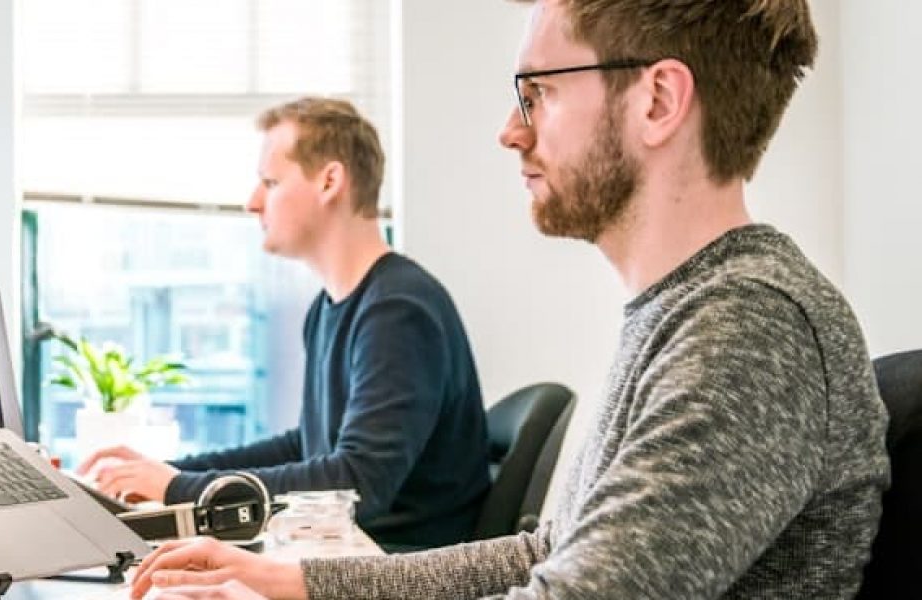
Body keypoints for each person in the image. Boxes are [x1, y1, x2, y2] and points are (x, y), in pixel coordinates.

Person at [127, 0, 891, 598]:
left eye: (538, 94)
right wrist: (296, 582)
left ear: (657, 100)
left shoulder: (749, 327)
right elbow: (552, 552)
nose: (510, 131)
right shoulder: (687, 310)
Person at [79, 97, 491, 550]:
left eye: (271, 182)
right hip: (346, 553)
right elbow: (308, 446)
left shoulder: (398, 311)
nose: (252, 203)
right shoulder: (330, 308)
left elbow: (358, 485)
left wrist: (179, 489)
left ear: (330, 181)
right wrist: (172, 473)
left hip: (395, 564)